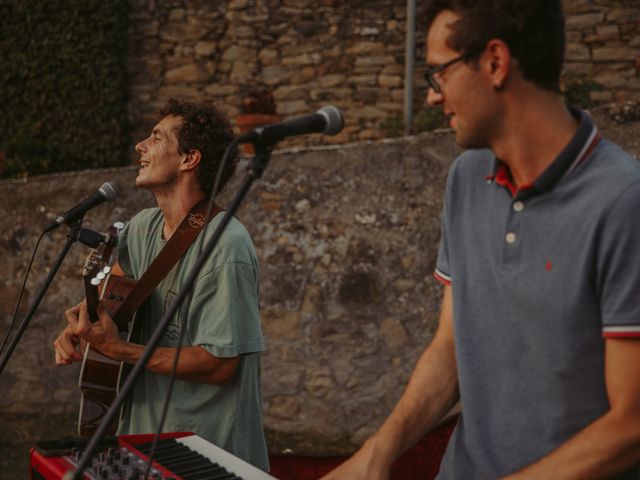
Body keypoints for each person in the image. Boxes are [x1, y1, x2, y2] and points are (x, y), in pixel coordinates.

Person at [322, 0, 640, 478]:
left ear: (495, 63)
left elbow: (630, 424)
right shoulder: (467, 178)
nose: (432, 95)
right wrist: (376, 453)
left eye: (439, 73)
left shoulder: (623, 202)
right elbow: (450, 347)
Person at [53, 99, 269, 471]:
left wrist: (120, 350)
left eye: (155, 138)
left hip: (207, 454)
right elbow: (114, 297)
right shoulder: (142, 228)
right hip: (140, 441)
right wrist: (86, 321)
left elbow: (220, 365)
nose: (140, 146)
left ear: (189, 159)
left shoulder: (226, 247)